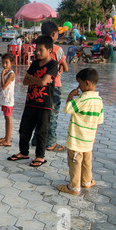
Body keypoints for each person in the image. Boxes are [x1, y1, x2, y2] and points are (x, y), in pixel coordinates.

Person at [8, 35, 58, 167]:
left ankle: (40, 156)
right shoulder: (35, 63)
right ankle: (23, 152)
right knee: (24, 128)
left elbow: (42, 82)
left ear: (49, 50)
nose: (38, 52)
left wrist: (35, 80)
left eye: (41, 50)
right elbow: (25, 81)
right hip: (30, 101)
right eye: (37, 50)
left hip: (44, 104)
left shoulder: (53, 64)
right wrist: (40, 81)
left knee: (42, 131)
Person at [57, 68, 104, 195]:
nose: (79, 86)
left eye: (80, 83)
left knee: (75, 163)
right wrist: (93, 135)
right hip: (89, 139)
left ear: (87, 83)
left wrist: (70, 96)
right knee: (87, 162)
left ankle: (73, 187)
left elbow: (67, 109)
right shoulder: (99, 100)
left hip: (76, 140)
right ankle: (86, 182)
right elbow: (99, 120)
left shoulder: (82, 99)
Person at [32, 22, 68, 152]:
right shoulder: (57, 49)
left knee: (40, 114)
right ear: (53, 34)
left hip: (40, 86)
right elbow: (66, 67)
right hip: (54, 87)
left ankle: (36, 139)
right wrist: (61, 67)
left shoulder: (39, 48)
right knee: (52, 116)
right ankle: (51, 142)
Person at [0, 53, 15, 147]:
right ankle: (6, 136)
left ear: (12, 63)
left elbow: (4, 86)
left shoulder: (10, 74)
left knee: (8, 119)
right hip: (4, 100)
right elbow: (1, 89)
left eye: (6, 63)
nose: (4, 65)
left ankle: (8, 140)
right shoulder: (6, 73)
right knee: (6, 118)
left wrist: (2, 76)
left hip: (8, 101)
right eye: (3, 62)